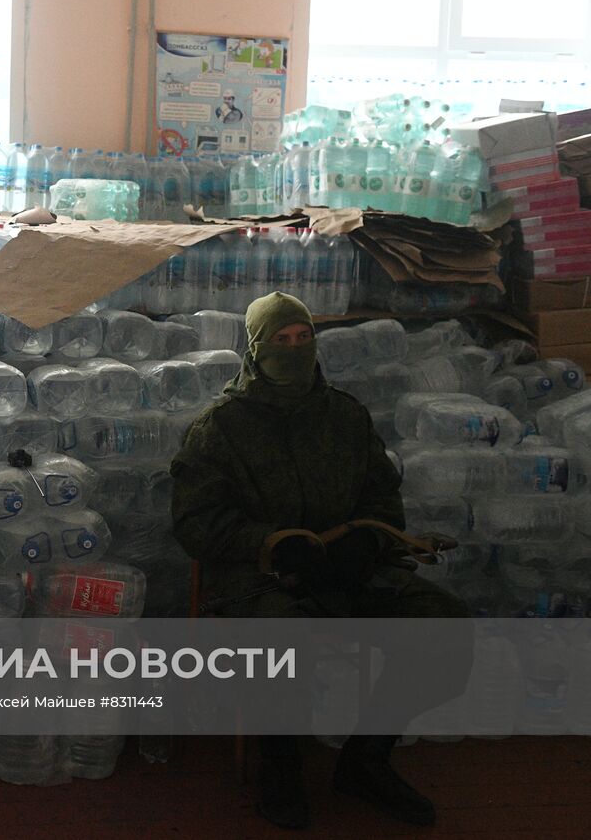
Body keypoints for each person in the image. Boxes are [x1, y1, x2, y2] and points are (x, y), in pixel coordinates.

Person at [170, 292, 471, 830]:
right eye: (281, 341)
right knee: (283, 641)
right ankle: (279, 765)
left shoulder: (345, 417)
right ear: (256, 350)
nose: (294, 350)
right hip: (260, 576)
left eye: (304, 338)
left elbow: (382, 499)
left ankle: (365, 760)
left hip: (345, 564)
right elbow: (196, 523)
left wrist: (366, 544)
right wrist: (271, 543)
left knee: (443, 626)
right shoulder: (219, 429)